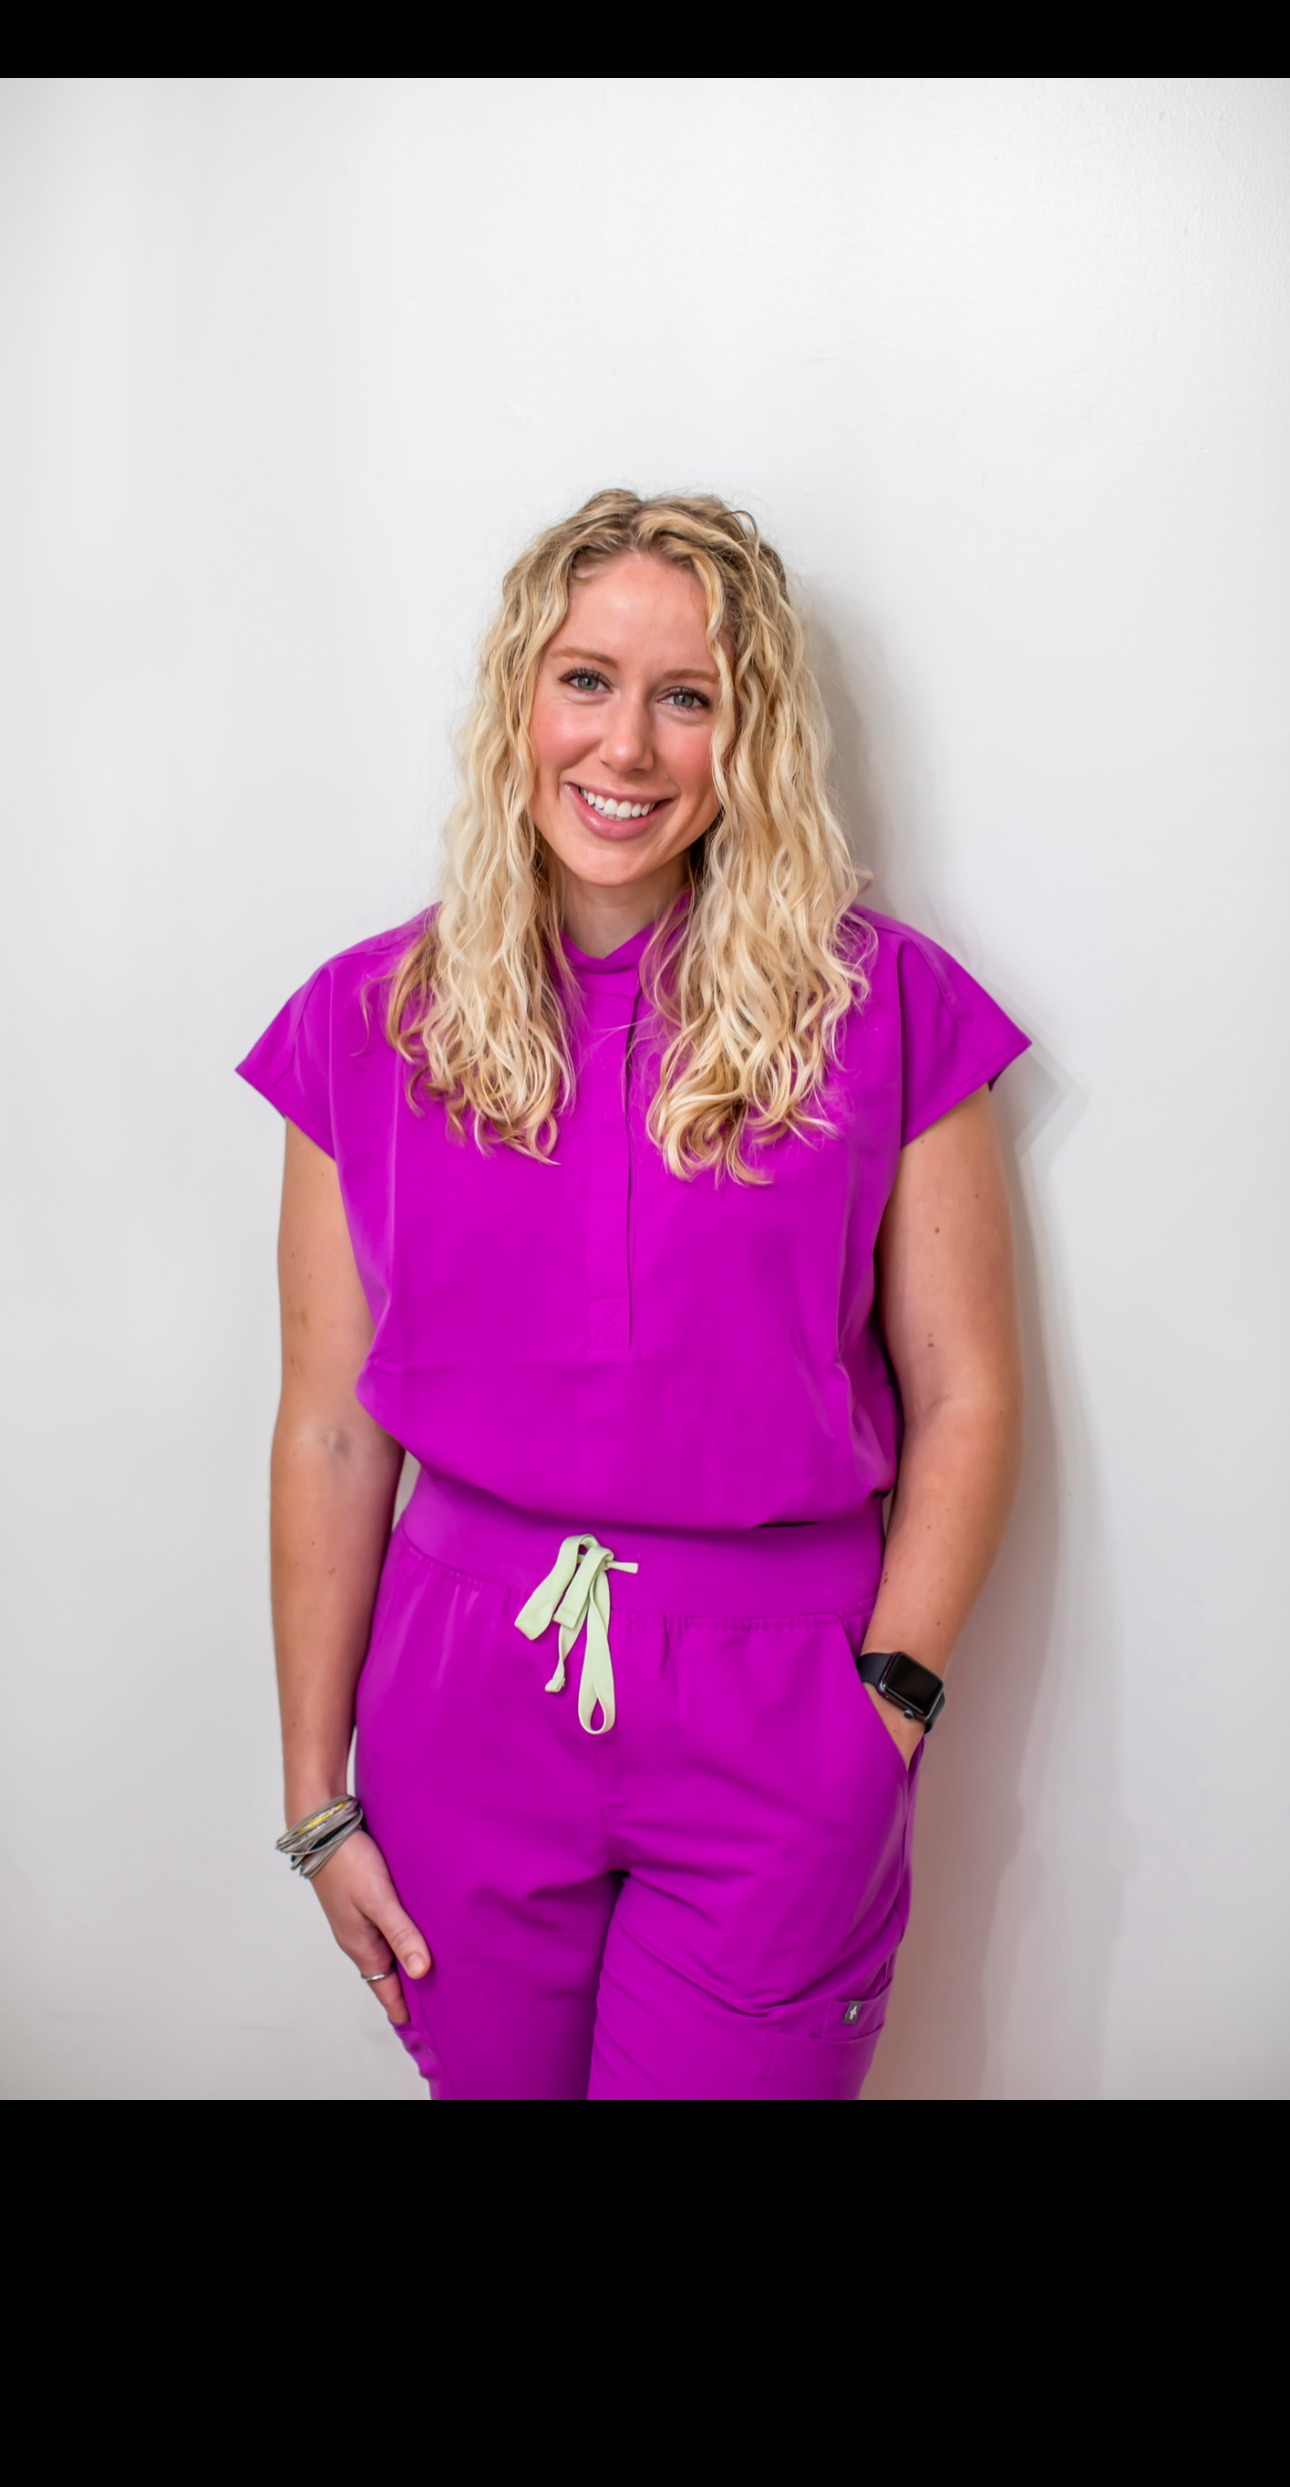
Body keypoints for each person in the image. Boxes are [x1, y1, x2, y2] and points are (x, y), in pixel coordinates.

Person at [239, 490, 1028, 2100]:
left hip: (780, 1704)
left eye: (691, 698)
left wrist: (884, 1709)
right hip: (461, 1694)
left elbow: (965, 1394)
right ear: (516, 700)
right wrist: (318, 1797)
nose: (629, 748)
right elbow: (328, 1432)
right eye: (587, 680)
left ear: (750, 742)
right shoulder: (361, 1021)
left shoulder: (884, 1012)